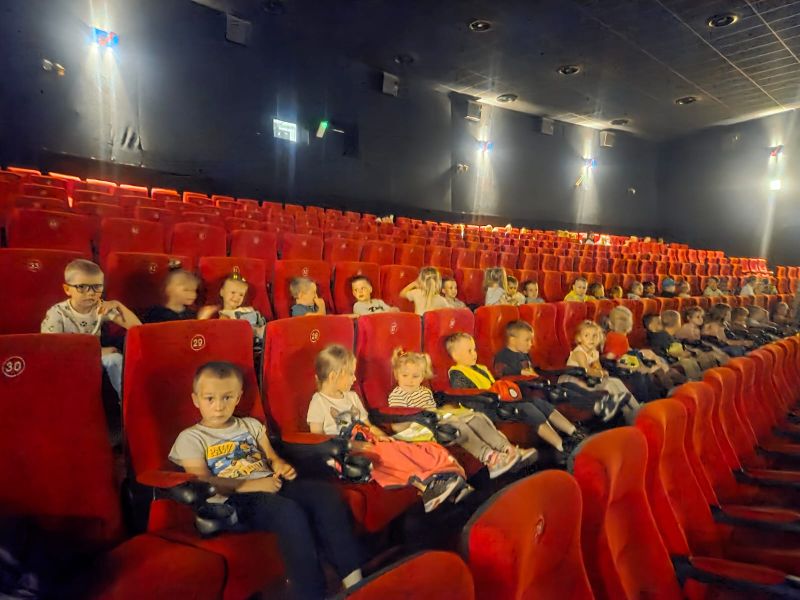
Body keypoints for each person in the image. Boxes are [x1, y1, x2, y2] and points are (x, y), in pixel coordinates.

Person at [169, 362, 364, 600]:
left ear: (238, 397)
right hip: (233, 500)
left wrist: (280, 466)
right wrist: (252, 486)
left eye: (227, 398)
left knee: (324, 494)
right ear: (196, 400)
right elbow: (203, 481)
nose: (219, 406)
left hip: (270, 483)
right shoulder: (191, 437)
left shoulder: (250, 425)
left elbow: (271, 457)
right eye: (210, 398)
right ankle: (311, 594)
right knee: (287, 511)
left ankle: (354, 580)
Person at [307, 344, 468, 512]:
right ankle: (428, 487)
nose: (354, 379)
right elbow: (319, 441)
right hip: (345, 452)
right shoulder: (319, 402)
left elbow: (368, 426)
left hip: (368, 441)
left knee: (416, 448)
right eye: (350, 374)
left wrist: (384, 436)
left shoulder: (352, 397)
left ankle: (448, 478)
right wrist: (352, 445)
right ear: (334, 376)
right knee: (390, 455)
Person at [387, 348, 536, 478]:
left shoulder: (424, 392)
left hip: (435, 420)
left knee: (476, 418)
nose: (410, 380)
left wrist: (447, 411)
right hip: (417, 428)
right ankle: (490, 459)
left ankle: (508, 450)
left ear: (422, 376)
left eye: (415, 376)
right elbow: (397, 423)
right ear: (396, 374)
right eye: (405, 375)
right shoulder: (397, 395)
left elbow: (433, 409)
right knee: (458, 426)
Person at [446, 332, 583, 462]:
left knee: (537, 401)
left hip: (500, 401)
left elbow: (495, 384)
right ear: (455, 355)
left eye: (474, 349)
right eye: (469, 351)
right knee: (527, 408)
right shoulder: (457, 373)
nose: (474, 354)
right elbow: (467, 397)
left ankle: (573, 432)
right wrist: (493, 398)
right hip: (486, 408)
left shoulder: (481, 368)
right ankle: (561, 446)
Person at [41, 259, 140, 398]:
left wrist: (118, 305)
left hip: (93, 357)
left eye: (97, 287)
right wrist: (98, 352)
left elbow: (137, 328)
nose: (91, 293)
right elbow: (53, 349)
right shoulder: (57, 313)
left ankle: (126, 401)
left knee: (115, 359)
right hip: (67, 359)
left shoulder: (99, 307)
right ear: (67, 289)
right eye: (82, 287)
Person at [559, 321, 640, 424]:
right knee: (608, 385)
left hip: (589, 379)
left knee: (615, 381)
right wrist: (601, 373)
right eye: (587, 336)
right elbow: (587, 371)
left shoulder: (594, 352)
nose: (591, 339)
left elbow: (599, 369)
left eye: (594, 336)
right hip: (574, 380)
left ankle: (636, 409)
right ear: (579, 338)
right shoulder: (579, 353)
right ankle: (628, 415)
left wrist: (601, 373)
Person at [603, 306, 682, 397]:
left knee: (652, 363)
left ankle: (670, 388)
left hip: (624, 361)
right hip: (621, 365)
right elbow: (614, 356)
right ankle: (671, 390)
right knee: (652, 369)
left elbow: (623, 350)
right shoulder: (618, 337)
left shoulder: (611, 335)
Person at [208, 274, 267, 341]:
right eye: (233, 292)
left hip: (262, 331)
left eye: (241, 295)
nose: (237, 297)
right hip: (247, 338)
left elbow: (260, 319)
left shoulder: (248, 309)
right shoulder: (225, 315)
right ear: (222, 292)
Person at [643, 313, 702, 380]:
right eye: (659, 323)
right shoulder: (660, 336)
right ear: (651, 327)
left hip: (671, 359)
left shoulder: (660, 335)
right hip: (669, 361)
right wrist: (689, 353)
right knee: (689, 362)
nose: (663, 324)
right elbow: (677, 352)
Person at [144, 269, 216, 323]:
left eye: (194, 290)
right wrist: (201, 320)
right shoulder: (156, 314)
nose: (193, 294)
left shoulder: (191, 314)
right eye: (186, 290)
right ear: (169, 290)